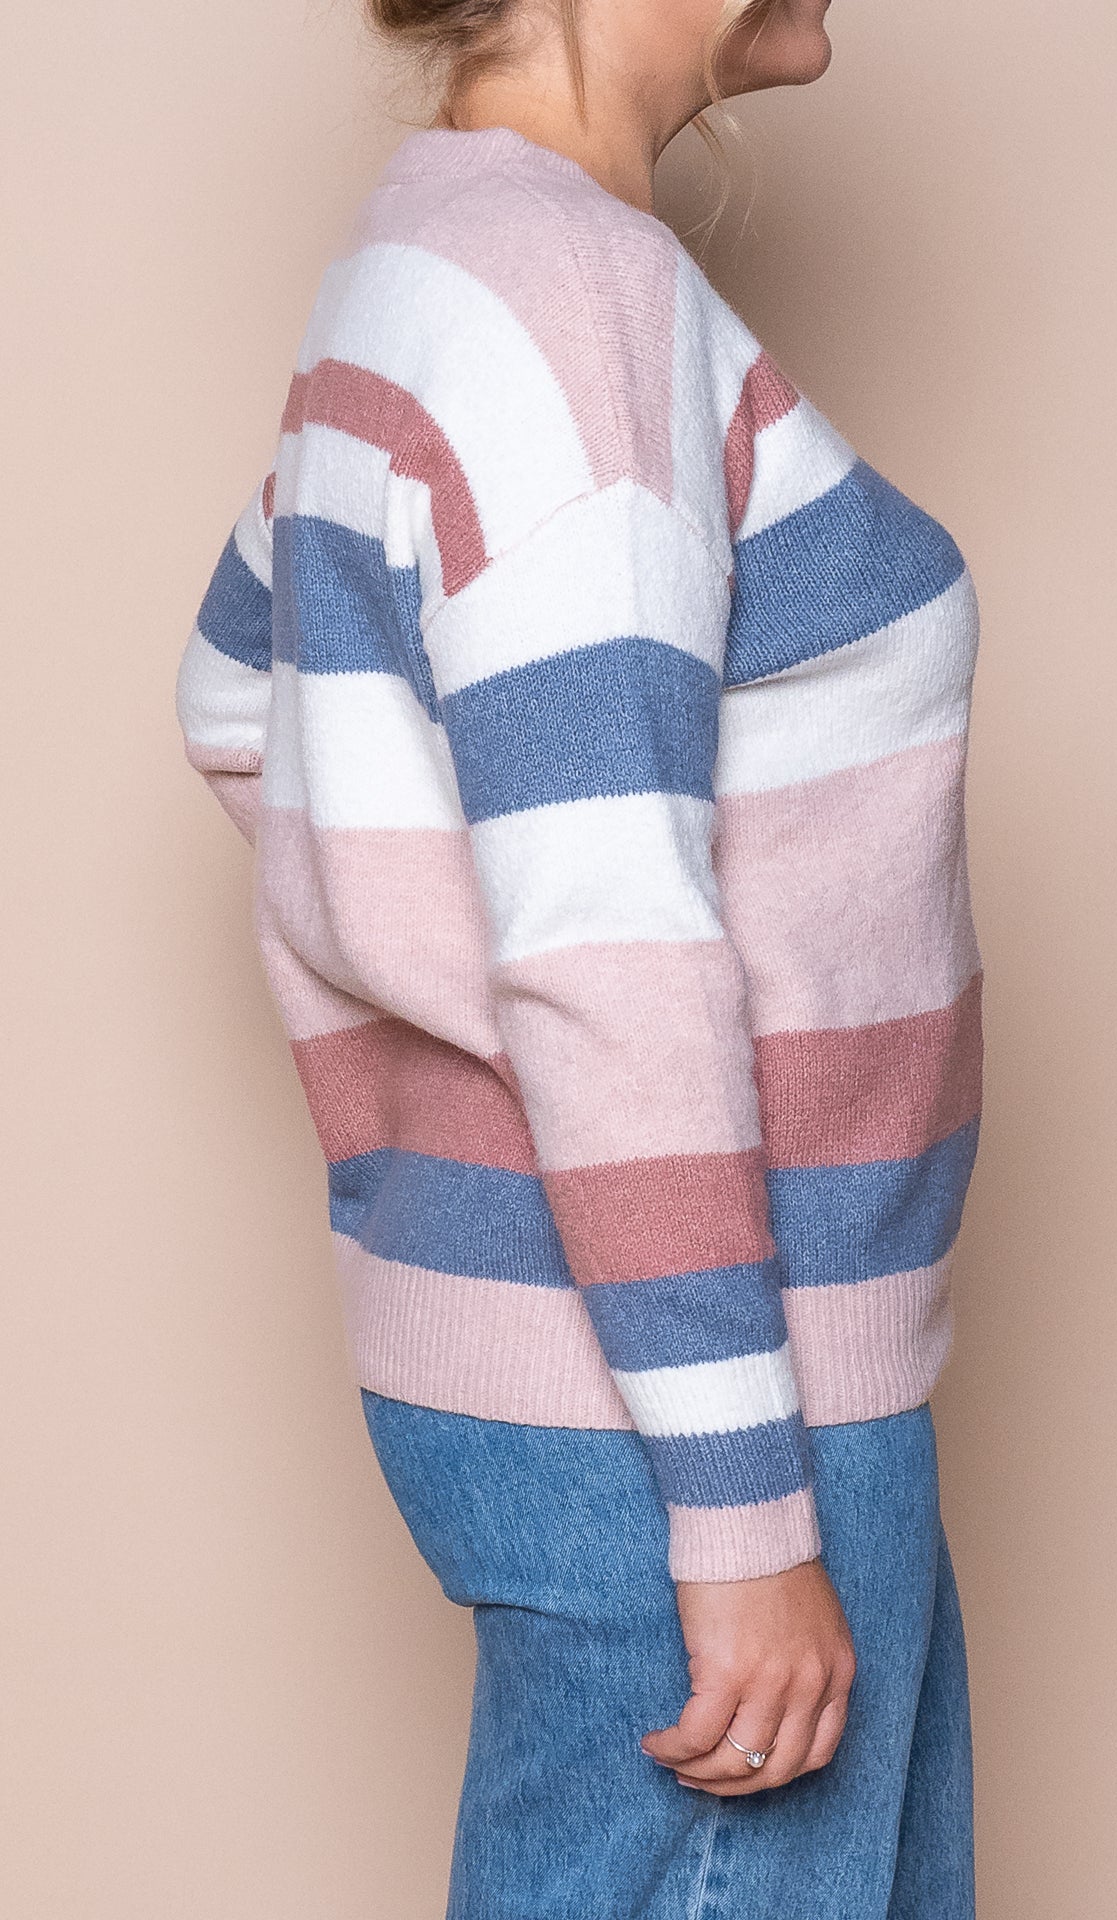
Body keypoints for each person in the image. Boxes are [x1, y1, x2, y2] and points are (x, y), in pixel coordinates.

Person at [176, 1, 982, 1912]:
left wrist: (459, 1000)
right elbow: (604, 948)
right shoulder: (573, 302)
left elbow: (232, 700)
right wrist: (741, 1507)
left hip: (604, 1375)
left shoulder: (430, 246)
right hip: (698, 1402)